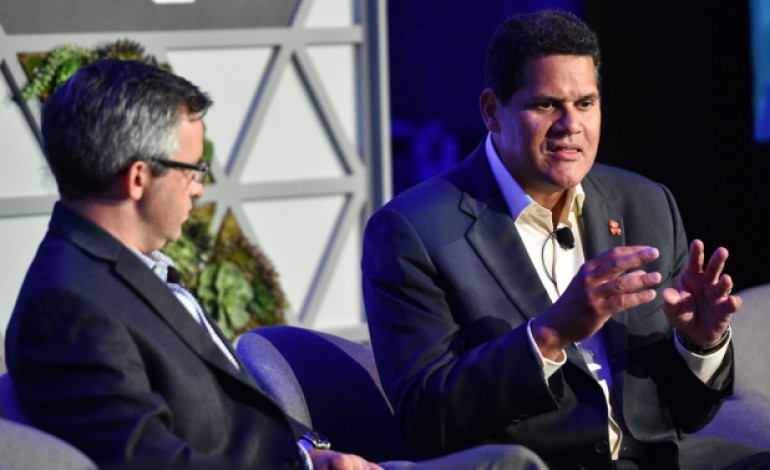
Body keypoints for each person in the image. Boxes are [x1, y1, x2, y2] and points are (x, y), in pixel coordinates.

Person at [4, 59, 547, 470]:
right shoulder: (67, 308)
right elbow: (154, 461)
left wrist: (314, 453)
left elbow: (228, 410)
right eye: (193, 169)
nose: (199, 188)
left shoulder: (129, 270)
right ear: (139, 177)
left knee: (508, 463)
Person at [362, 10, 770, 470]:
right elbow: (424, 417)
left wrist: (699, 344)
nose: (570, 124)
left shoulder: (645, 203)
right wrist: (550, 334)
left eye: (586, 103)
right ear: (492, 111)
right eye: (547, 104)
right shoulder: (413, 230)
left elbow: (687, 415)